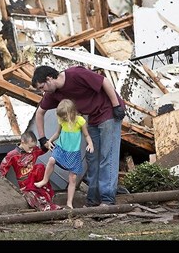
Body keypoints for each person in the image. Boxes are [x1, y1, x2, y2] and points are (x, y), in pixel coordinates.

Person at [31, 65, 126, 207]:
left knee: (108, 155)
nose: (42, 91)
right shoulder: (53, 94)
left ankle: (107, 199)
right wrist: (42, 138)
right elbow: (40, 112)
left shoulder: (75, 74)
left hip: (108, 112)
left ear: (49, 79)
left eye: (41, 87)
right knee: (92, 157)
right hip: (93, 117)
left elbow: (104, 81)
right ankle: (93, 199)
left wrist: (116, 105)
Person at [34, 99, 94, 209]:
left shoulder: (80, 121)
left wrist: (90, 144)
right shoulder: (62, 121)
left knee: (72, 178)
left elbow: (86, 135)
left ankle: (69, 203)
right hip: (61, 148)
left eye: (65, 116)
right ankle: (44, 180)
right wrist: (49, 140)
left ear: (71, 112)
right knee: (51, 160)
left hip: (73, 153)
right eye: (61, 117)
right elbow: (57, 133)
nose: (63, 119)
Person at [0, 130, 61, 211]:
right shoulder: (12, 155)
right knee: (34, 194)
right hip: (25, 182)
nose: (31, 150)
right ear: (22, 142)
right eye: (30, 147)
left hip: (36, 180)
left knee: (40, 167)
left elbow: (42, 150)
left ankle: (48, 200)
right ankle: (44, 205)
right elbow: (3, 169)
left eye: (33, 147)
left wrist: (47, 144)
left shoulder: (34, 150)